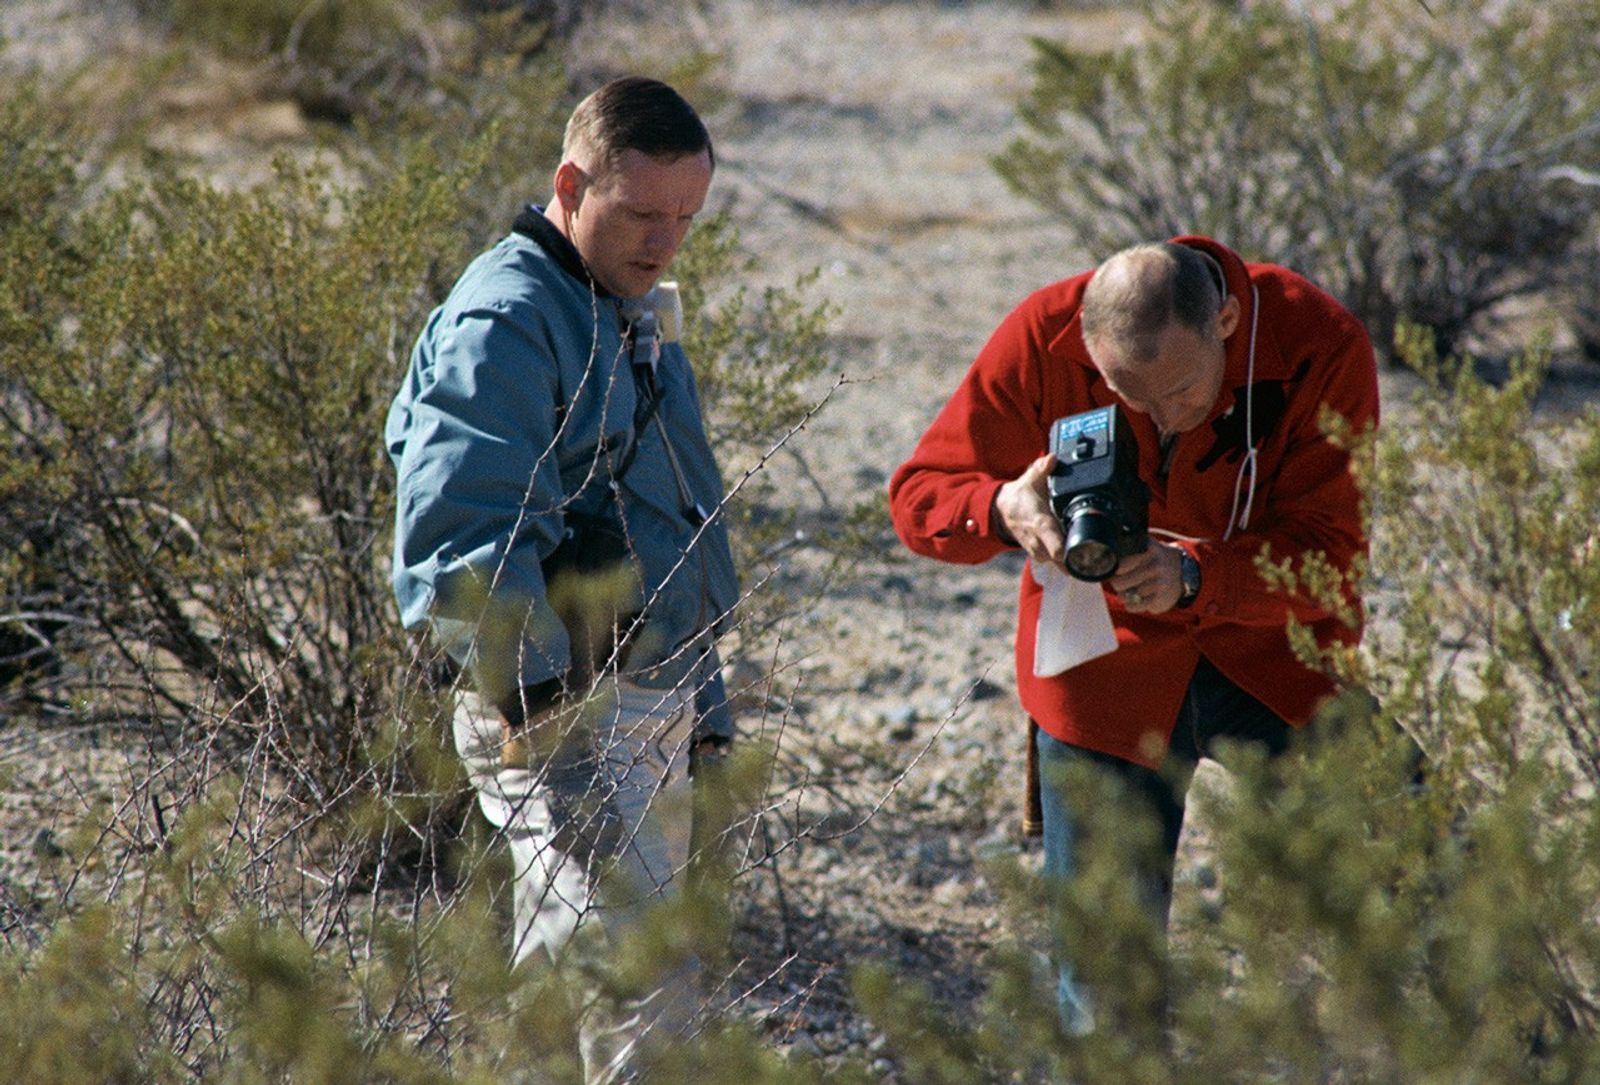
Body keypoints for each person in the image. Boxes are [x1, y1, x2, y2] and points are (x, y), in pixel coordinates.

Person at [888, 238, 1378, 1029]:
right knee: (1104, 994)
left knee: (1434, 869)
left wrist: (1195, 576)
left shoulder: (1317, 342)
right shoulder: (1044, 331)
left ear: (1225, 320)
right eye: (1127, 394)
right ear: (1086, 343)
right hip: (1102, 674)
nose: (1158, 416)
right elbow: (919, 498)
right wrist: (1000, 509)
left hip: (1275, 656)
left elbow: (1332, 553)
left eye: (1181, 392)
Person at [385, 76, 739, 1081]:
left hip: (645, 691)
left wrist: (700, 701)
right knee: (629, 976)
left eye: (686, 215)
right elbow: (463, 535)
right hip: (557, 704)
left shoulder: (627, 304)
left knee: (571, 979)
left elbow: (673, 515)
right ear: (570, 183)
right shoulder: (508, 318)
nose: (665, 239)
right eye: (640, 213)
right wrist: (545, 711)